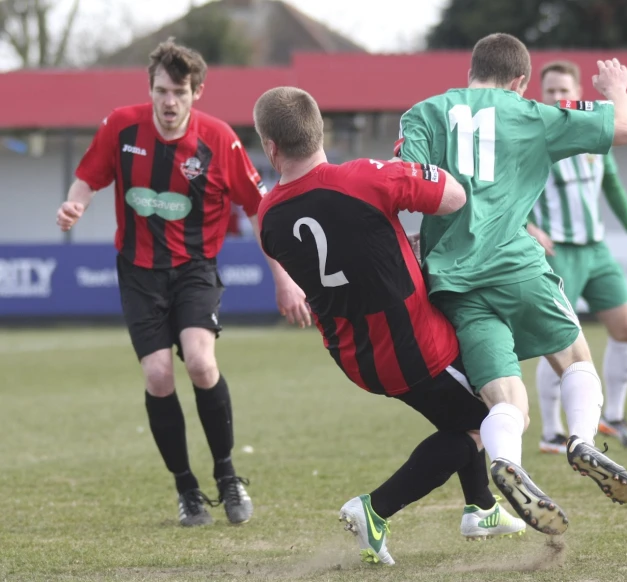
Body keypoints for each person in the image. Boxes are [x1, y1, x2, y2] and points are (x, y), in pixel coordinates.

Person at [254, 86, 526, 566]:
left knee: (459, 413)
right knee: (489, 420)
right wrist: (410, 167)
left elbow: (339, 239)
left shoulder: (267, 216)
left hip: (354, 353)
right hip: (415, 344)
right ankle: (375, 509)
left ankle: (481, 508)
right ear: (322, 132)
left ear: (271, 148)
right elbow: (453, 195)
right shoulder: (363, 177)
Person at [55, 39, 310, 527]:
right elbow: (86, 178)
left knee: (199, 362)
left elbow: (260, 211)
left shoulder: (219, 140)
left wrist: (285, 280)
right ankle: (186, 489)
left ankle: (227, 474)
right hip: (138, 271)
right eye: (161, 90)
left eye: (179, 92)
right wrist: (76, 204)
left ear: (197, 93)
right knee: (156, 376)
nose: (168, 102)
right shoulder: (120, 126)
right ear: (150, 90)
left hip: (194, 268)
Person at [395, 33, 627, 535]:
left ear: (471, 70)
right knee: (575, 358)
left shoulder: (423, 112)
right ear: (521, 82)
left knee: (503, 397)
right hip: (515, 264)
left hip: (453, 282)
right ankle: (583, 440)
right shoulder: (531, 114)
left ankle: (509, 461)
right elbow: (626, 129)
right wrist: (615, 87)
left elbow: (405, 183)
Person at [528, 60, 627, 454]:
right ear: (540, 95)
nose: (558, 98)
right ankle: (551, 433)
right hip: (558, 250)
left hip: (596, 249)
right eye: (550, 91)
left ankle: (613, 416)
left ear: (577, 91)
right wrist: (529, 225)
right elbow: (510, 184)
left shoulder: (594, 131)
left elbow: (611, 184)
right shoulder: (536, 133)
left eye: (564, 90)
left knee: (626, 328)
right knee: (558, 340)